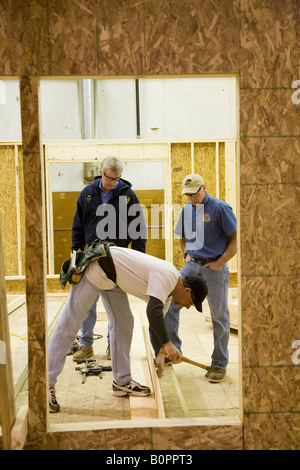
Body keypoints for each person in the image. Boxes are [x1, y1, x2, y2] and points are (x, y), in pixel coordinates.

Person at [48, 245, 208, 412]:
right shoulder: (168, 276)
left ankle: (121, 381)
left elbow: (155, 323)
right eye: (190, 303)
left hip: (113, 279)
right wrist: (169, 344)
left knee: (124, 322)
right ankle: (47, 384)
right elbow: (153, 311)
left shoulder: (167, 296)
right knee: (70, 322)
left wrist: (161, 352)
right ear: (187, 290)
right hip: (98, 269)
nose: (188, 307)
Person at [152, 174, 237, 382]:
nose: (191, 199)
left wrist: (219, 263)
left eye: (194, 194)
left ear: (204, 188)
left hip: (214, 267)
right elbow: (181, 236)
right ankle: (173, 350)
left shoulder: (220, 208)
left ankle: (219, 363)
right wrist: (185, 253)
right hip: (192, 265)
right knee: (170, 305)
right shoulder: (187, 210)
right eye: (188, 195)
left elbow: (236, 239)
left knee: (219, 316)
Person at [70, 156, 146, 362]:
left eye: (116, 179)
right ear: (101, 171)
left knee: (117, 308)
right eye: (108, 178)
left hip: (117, 260)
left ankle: (113, 346)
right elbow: (78, 227)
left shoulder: (128, 195)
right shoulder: (87, 194)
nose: (111, 183)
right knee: (87, 304)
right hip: (91, 258)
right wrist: (75, 256)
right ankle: (86, 345)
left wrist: (138, 258)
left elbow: (138, 229)